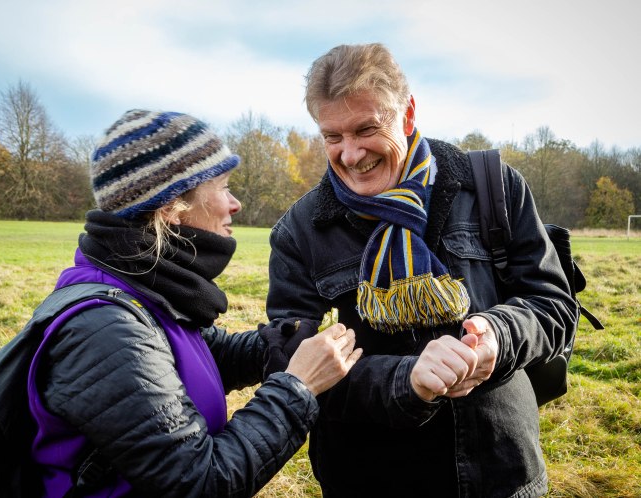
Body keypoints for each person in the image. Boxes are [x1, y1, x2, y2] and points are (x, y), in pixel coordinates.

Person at [264, 44, 578, 497]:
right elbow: (288, 361)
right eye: (332, 136)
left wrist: (499, 334)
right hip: (370, 474)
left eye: (366, 129)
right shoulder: (302, 228)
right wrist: (405, 380)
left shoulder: (492, 186)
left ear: (407, 114)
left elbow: (554, 307)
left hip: (501, 467)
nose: (350, 155)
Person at [29, 109, 362, 497]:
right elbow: (200, 481)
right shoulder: (108, 331)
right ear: (171, 207)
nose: (235, 203)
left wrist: (275, 344)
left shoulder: (140, 288)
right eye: (222, 186)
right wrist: (298, 388)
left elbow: (195, 352)